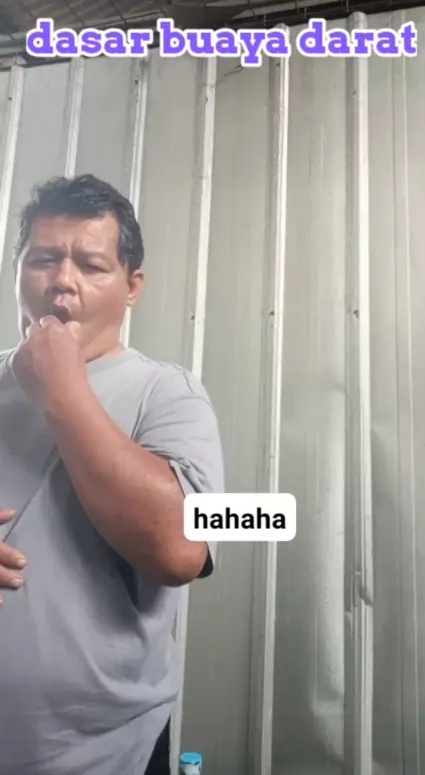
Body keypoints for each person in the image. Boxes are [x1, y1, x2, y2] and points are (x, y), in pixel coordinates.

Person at [0, 174, 224, 775]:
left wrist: (64, 391)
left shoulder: (168, 394)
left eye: (91, 265)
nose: (62, 280)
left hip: (107, 754)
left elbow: (180, 550)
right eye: (43, 259)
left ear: (132, 287)